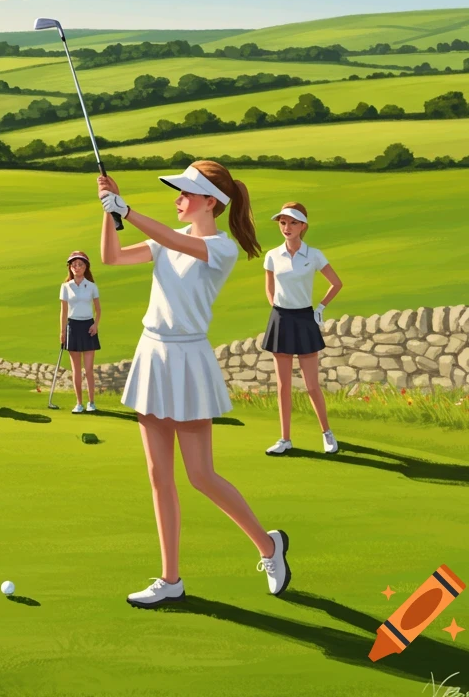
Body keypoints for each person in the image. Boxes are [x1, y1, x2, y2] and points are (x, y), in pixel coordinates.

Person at [98, 161, 289, 608]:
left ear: (211, 202)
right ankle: (170, 579)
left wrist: (128, 209)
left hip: (187, 358)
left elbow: (174, 239)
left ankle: (268, 545)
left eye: (186, 193)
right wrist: (110, 214)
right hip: (153, 355)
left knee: (200, 474)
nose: (177, 199)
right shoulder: (165, 240)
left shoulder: (218, 249)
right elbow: (111, 258)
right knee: (158, 475)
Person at [262, 202, 344, 456]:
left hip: (305, 319)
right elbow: (269, 287)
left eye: (293, 223)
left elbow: (336, 284)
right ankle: (285, 439)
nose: (287, 227)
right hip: (281, 319)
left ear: (303, 226)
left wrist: (320, 307)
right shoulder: (272, 255)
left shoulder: (315, 255)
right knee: (283, 385)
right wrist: (276, 306)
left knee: (311, 385)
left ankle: (327, 433)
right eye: (283, 223)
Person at [59, 250, 102, 414]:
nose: (77, 267)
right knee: (76, 369)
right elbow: (63, 311)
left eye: (80, 264)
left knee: (89, 369)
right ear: (70, 267)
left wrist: (96, 325)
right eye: (74, 265)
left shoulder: (91, 286)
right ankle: (79, 403)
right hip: (73, 327)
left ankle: (91, 402)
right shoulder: (65, 287)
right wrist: (62, 332)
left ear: (86, 267)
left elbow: (98, 310)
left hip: (88, 327)